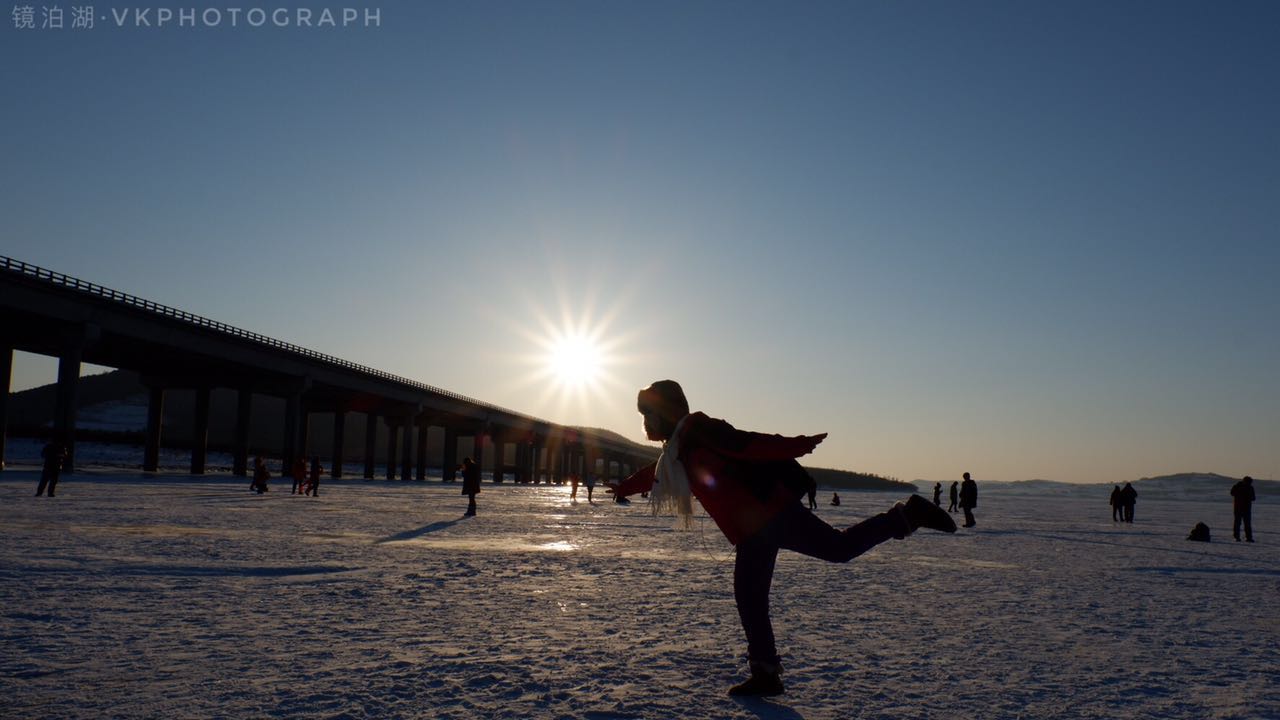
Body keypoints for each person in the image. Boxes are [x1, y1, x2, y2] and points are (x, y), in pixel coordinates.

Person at [606, 380, 956, 697]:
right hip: (754, 528)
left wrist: (796, 445)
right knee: (753, 596)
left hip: (769, 515)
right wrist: (623, 486)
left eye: (648, 414)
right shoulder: (677, 449)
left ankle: (907, 515)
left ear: (665, 412)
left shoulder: (700, 430)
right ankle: (766, 675)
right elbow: (653, 475)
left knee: (835, 550)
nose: (645, 423)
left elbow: (749, 444)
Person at [1231, 476, 1256, 542]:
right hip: (1240, 508)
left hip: (1245, 508)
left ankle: (1248, 538)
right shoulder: (1237, 486)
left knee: (1245, 524)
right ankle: (1237, 537)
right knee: (1239, 523)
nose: (1250, 483)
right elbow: (1232, 493)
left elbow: (1253, 498)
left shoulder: (1250, 488)